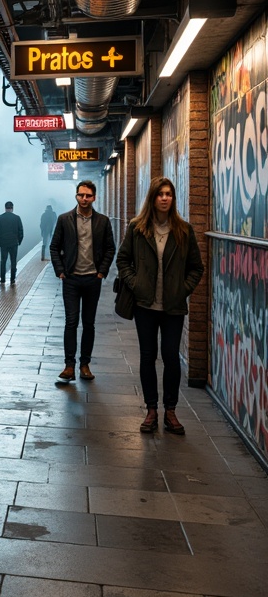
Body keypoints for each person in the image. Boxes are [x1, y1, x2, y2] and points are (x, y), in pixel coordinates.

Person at [115, 177, 204, 435]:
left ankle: (171, 411)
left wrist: (183, 289)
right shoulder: (137, 228)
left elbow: (196, 267)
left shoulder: (184, 230)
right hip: (145, 305)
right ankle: (152, 410)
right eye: (160, 194)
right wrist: (136, 283)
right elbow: (123, 260)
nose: (165, 198)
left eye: (169, 194)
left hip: (173, 307)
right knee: (147, 356)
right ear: (152, 198)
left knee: (170, 357)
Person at [50, 180, 116, 382]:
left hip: (92, 279)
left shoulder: (103, 221)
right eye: (81, 195)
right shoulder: (64, 219)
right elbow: (54, 247)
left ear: (94, 197)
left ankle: (84, 365)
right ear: (76, 196)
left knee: (89, 324)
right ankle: (69, 366)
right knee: (71, 322)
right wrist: (60, 271)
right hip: (70, 279)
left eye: (88, 195)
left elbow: (110, 248)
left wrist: (101, 272)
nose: (84, 199)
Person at [0, 200, 24, 286]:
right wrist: (19, 241)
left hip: (3, 243)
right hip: (14, 243)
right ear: (12, 208)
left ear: (5, 208)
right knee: (13, 261)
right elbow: (21, 231)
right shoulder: (17, 218)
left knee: (3, 261)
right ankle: (12, 279)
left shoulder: (0, 218)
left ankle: (2, 279)